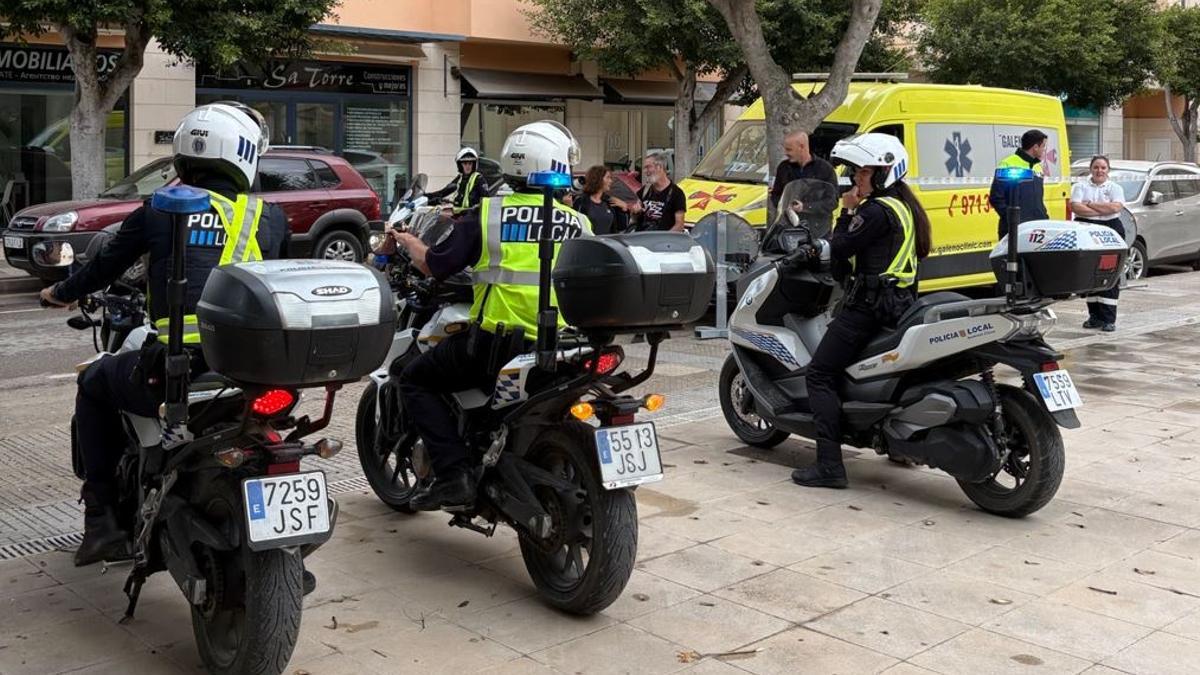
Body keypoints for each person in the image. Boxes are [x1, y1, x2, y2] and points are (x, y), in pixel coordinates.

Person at [39, 103, 291, 567]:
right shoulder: (268, 219)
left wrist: (59, 291)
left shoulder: (160, 210)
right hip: (250, 370)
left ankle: (103, 525)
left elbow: (103, 267)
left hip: (180, 370)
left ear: (183, 158)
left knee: (93, 385)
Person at [391, 121, 593, 510]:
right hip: (564, 343)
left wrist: (407, 240)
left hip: (497, 345)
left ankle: (453, 476)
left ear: (515, 162)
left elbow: (435, 265)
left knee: (415, 378)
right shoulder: (579, 221)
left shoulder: (489, 216)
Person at [792, 133, 932, 489]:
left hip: (870, 307)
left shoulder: (874, 211)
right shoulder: (905, 207)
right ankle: (896, 446)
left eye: (863, 173)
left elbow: (840, 247)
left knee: (820, 374)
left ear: (883, 174)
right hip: (899, 304)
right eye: (856, 172)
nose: (856, 179)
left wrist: (847, 210)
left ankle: (829, 466)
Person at [1071, 155, 1126, 332]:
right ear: (1091, 169)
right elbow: (1076, 207)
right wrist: (1102, 209)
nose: (1099, 171)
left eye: (1103, 167)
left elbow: (1116, 208)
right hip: (1087, 228)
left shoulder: (1115, 187)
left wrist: (1091, 205)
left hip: (1111, 230)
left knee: (1110, 273)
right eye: (1096, 167)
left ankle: (1109, 319)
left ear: (1108, 170)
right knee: (1091, 274)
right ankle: (1095, 317)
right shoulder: (1080, 186)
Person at [990, 129, 1049, 239]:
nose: (1044, 150)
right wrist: (1012, 219)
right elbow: (996, 198)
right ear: (1035, 147)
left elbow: (1037, 199)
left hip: (1036, 228)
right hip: (1013, 228)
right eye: (1043, 146)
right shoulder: (1007, 164)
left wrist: (1043, 216)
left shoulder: (1037, 166)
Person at [769, 130, 838, 208]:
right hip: (789, 218)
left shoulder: (825, 168)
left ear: (801, 147)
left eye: (789, 149)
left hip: (817, 219)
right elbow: (775, 195)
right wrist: (785, 205)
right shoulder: (784, 167)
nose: (786, 153)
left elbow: (833, 201)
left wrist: (806, 206)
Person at [630, 152, 686, 232]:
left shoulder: (677, 193)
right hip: (641, 240)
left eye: (648, 167)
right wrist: (635, 211)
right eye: (644, 168)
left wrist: (663, 240)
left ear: (659, 167)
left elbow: (679, 225)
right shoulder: (644, 191)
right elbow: (634, 215)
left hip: (662, 242)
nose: (645, 171)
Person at [571, 165, 632, 235]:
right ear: (598, 179)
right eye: (608, 177)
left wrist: (624, 210)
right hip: (587, 244)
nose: (611, 181)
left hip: (606, 244)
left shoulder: (610, 202)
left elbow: (622, 227)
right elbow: (574, 227)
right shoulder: (581, 201)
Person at [425, 147, 487, 212]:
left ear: (473, 165)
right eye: (465, 163)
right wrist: (426, 196)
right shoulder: (460, 178)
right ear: (460, 165)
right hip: (460, 214)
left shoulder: (479, 179)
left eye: (470, 163)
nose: (468, 166)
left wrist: (477, 207)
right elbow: (443, 192)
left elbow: (486, 200)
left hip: (472, 215)